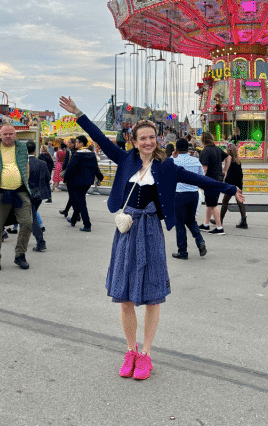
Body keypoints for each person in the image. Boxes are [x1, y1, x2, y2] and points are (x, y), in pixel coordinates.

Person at [58, 96, 244, 380]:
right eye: (142, 138)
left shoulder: (167, 167)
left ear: (158, 139)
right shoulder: (124, 159)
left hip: (151, 231)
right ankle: (130, 350)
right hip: (127, 230)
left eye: (152, 137)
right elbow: (99, 138)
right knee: (124, 296)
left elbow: (199, 180)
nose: (148, 142)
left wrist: (230, 188)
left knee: (153, 297)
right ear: (134, 141)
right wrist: (79, 113)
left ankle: (146, 354)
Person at [0, 124, 33, 270]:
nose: (8, 136)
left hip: (20, 192)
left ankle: (20, 255)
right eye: (5, 134)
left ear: (15, 134)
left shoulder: (22, 148)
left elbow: (26, 167)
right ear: (0, 135)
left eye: (11, 133)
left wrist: (25, 181)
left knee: (27, 223)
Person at [171, 138, 206, 259]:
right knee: (191, 220)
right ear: (188, 148)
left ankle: (183, 251)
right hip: (193, 194)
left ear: (176, 149)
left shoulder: (173, 161)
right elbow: (202, 177)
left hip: (179, 194)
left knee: (179, 223)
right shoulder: (196, 161)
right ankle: (200, 241)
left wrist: (172, 156)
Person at [63, 135, 101, 232]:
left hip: (78, 182)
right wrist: (100, 178)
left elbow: (70, 168)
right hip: (88, 182)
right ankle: (73, 220)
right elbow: (96, 168)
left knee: (82, 203)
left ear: (81, 144)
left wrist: (65, 179)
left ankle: (87, 224)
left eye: (76, 142)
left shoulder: (77, 155)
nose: (75, 144)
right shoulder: (92, 154)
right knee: (80, 200)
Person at [197, 133, 225, 234]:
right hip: (218, 179)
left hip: (210, 180)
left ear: (203, 140)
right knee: (210, 202)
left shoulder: (205, 151)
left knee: (212, 204)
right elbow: (228, 157)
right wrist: (224, 170)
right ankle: (206, 224)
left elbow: (204, 169)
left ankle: (219, 228)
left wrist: (200, 181)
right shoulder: (217, 149)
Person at [26, 141, 51, 252]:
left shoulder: (23, 163)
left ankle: (40, 242)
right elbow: (48, 178)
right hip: (39, 194)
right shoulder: (42, 163)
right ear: (35, 150)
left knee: (32, 218)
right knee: (32, 216)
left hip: (27, 194)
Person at [221, 143, 247, 229]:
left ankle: (219, 220)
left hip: (232, 185)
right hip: (238, 184)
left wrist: (225, 182)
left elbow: (230, 176)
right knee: (240, 202)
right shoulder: (238, 161)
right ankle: (244, 220)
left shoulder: (230, 161)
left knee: (225, 201)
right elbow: (241, 174)